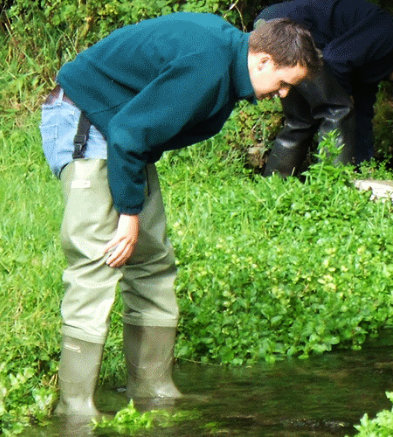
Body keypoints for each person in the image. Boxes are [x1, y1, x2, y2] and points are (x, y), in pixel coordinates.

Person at [39, 12, 321, 418]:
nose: (280, 95)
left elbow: (138, 130)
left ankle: (153, 390)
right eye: (282, 83)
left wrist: (133, 211)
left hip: (121, 133)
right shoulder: (207, 64)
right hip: (86, 119)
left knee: (152, 260)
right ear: (262, 60)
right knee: (99, 258)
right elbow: (129, 133)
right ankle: (75, 408)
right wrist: (129, 214)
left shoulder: (226, 59)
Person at [256, 0, 393, 177]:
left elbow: (362, 115)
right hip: (285, 31)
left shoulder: (379, 62)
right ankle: (333, 187)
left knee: (301, 120)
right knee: (338, 109)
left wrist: (365, 166)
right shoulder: (390, 35)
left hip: (273, 26)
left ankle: (273, 184)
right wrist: (344, 96)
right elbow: (335, 58)